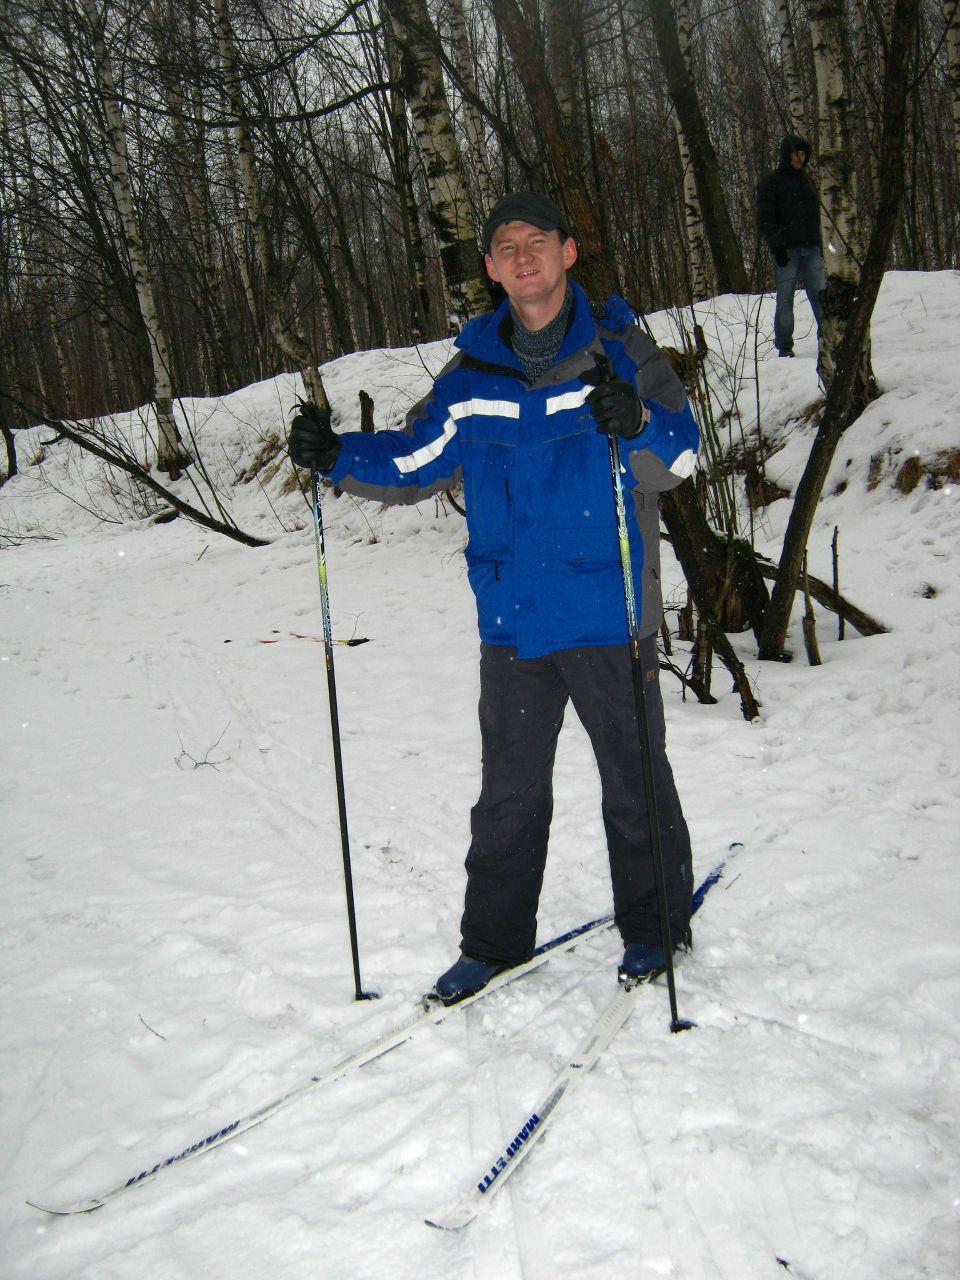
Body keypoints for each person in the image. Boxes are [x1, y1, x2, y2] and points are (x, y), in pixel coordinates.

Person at [289, 191, 700, 1003]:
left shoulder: (620, 351)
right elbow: (414, 460)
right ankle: (493, 943)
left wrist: (640, 419)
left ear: (568, 251)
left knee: (634, 780)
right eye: (505, 246)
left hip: (607, 611)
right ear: (488, 267)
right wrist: (336, 453)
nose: (522, 256)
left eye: (536, 240)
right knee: (508, 794)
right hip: (512, 621)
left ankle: (656, 928)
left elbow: (681, 461)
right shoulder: (471, 372)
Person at [756, 135, 826, 357]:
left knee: (821, 296)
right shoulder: (771, 183)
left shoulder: (808, 182)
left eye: (803, 154)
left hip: (812, 248)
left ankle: (829, 339)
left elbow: (817, 216)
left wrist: (821, 245)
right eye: (796, 153)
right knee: (785, 299)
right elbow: (765, 219)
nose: (800, 158)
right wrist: (777, 246)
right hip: (787, 250)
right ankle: (784, 346)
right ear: (787, 154)